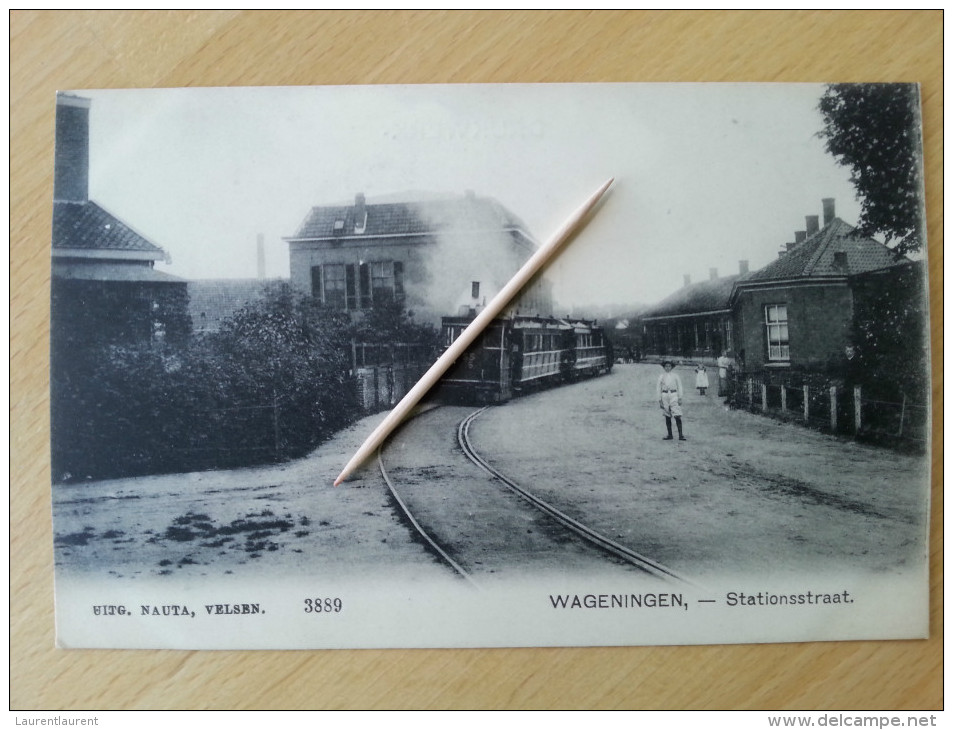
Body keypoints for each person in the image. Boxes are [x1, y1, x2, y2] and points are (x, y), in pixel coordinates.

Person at [657, 360, 686, 441]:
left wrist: (680, 397)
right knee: (667, 415)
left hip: (674, 395)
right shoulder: (661, 376)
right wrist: (660, 400)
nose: (667, 368)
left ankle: (681, 435)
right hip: (665, 395)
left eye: (669, 366)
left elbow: (680, 387)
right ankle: (670, 435)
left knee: (677, 414)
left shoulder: (675, 376)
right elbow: (658, 388)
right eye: (666, 366)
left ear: (672, 367)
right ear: (664, 367)